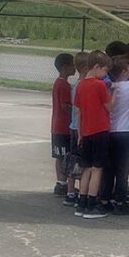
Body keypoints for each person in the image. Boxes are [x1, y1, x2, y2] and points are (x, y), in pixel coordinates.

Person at [98, 56, 129, 214]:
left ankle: (105, 197)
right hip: (126, 131)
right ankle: (120, 199)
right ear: (124, 72)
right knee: (123, 169)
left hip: (110, 131)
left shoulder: (108, 86)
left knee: (109, 168)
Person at [74, 50, 112, 220]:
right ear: (97, 67)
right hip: (100, 130)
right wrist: (115, 94)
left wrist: (80, 134)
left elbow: (78, 112)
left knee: (86, 169)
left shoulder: (81, 85)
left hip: (86, 132)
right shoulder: (100, 85)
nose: (105, 75)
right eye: (104, 70)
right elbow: (109, 107)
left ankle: (81, 203)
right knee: (97, 169)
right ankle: (91, 204)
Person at [64, 50, 91, 207]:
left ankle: (70, 192)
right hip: (80, 128)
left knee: (73, 158)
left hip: (74, 126)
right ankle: (80, 192)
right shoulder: (82, 86)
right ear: (86, 68)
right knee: (80, 161)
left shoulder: (76, 85)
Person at [50, 53, 75, 196]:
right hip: (64, 127)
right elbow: (65, 106)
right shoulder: (64, 85)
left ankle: (60, 182)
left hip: (56, 126)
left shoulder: (58, 83)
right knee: (65, 156)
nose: (74, 68)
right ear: (65, 67)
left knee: (60, 156)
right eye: (72, 65)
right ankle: (63, 182)